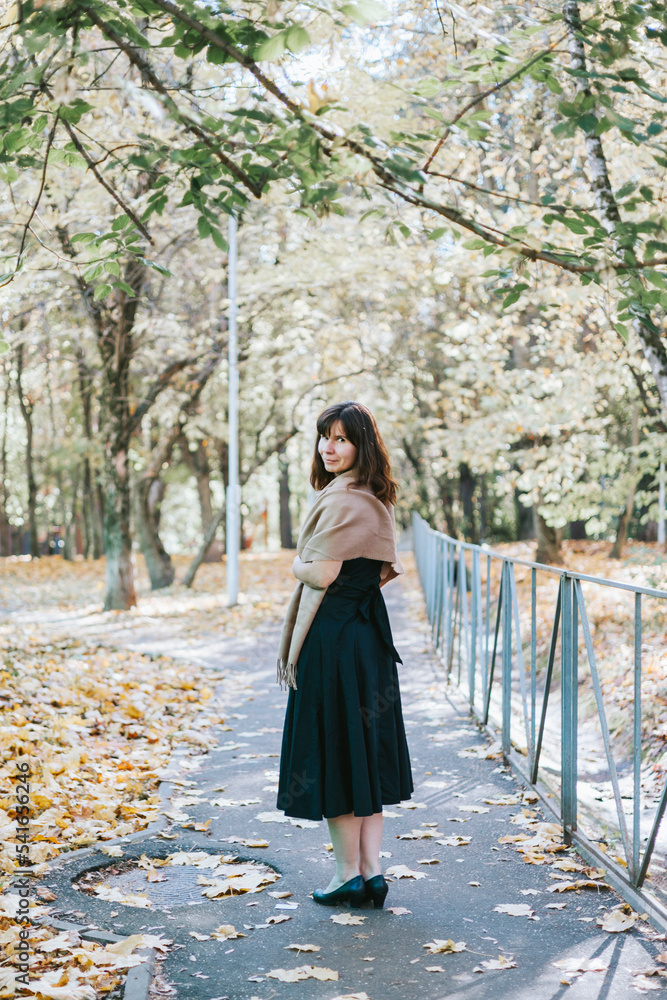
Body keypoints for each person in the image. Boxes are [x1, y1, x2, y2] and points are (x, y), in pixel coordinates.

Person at [276, 401, 413, 909]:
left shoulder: (342, 502)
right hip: (368, 640)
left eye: (340, 439)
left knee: (338, 755)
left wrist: (296, 563)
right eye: (323, 437)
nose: (328, 448)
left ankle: (344, 876)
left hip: (333, 642)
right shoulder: (373, 498)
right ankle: (372, 875)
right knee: (366, 758)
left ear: (361, 446)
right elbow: (377, 573)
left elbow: (323, 573)